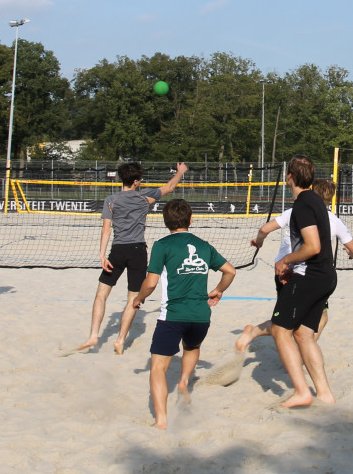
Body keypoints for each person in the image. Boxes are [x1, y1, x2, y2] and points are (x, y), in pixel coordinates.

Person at [127, 199, 235, 429]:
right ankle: (184, 382)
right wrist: (218, 291)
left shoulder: (162, 245)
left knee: (157, 368)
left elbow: (151, 282)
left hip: (173, 315)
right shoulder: (203, 245)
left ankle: (161, 420)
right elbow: (230, 271)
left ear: (166, 222)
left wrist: (138, 298)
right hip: (201, 316)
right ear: (191, 219)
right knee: (192, 347)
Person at [73, 161, 187, 352]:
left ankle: (94, 335)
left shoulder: (112, 199)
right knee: (133, 299)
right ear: (135, 181)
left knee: (101, 295)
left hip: (117, 250)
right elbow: (170, 187)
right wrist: (180, 171)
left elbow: (106, 228)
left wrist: (102, 255)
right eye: (140, 179)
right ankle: (120, 340)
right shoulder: (144, 198)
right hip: (137, 252)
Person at [235, 179, 353, 352]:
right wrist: (351, 255)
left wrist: (258, 241)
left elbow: (264, 229)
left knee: (295, 319)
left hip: (283, 270)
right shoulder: (332, 220)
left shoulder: (294, 211)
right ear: (331, 198)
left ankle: (297, 347)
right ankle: (256, 333)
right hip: (303, 273)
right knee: (293, 322)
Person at [267, 154, 337, 408]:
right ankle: (325, 394)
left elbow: (312, 246)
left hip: (311, 276)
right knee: (305, 334)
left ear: (290, 177)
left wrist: (285, 261)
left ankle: (301, 391)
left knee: (279, 330)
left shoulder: (304, 205)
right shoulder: (315, 201)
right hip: (326, 276)